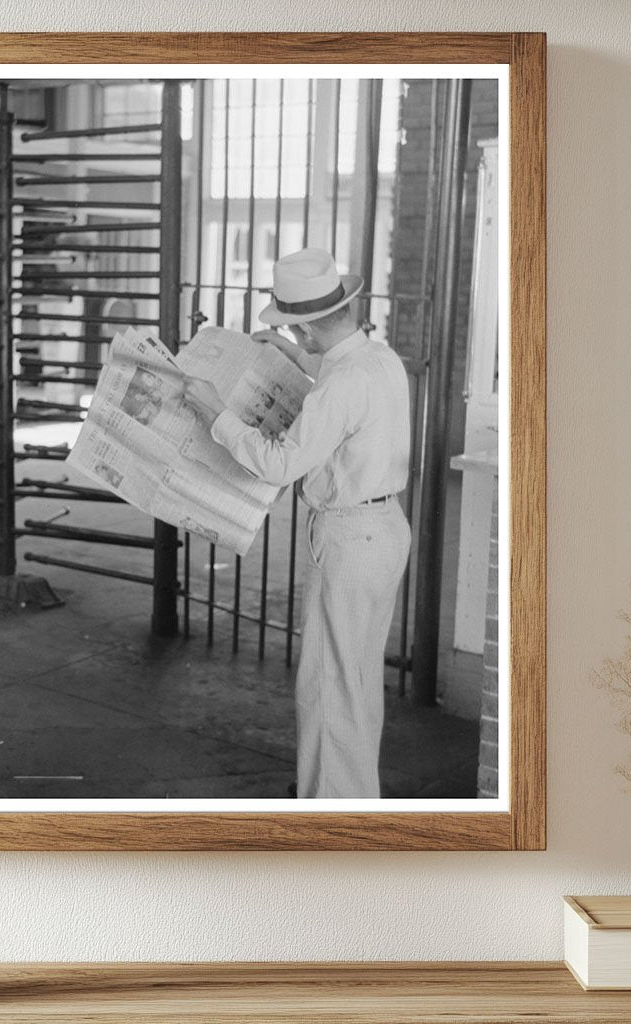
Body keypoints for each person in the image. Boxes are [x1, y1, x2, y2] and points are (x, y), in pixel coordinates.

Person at [182, 248, 412, 799]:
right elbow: (337, 382)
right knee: (354, 682)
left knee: (329, 687)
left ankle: (329, 818)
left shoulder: (340, 384)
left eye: (293, 329)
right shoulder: (380, 360)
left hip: (349, 537)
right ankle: (352, 799)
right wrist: (288, 351)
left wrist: (218, 415)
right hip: (384, 531)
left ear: (308, 327)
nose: (294, 337)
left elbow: (280, 462)